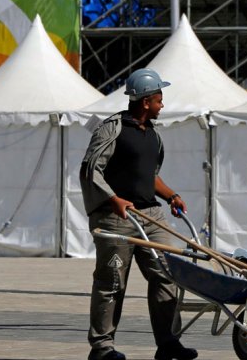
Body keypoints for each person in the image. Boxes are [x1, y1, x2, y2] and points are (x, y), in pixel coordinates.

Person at [79, 68, 198, 360]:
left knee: (167, 274)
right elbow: (91, 170)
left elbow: (149, 176)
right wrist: (113, 198)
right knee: (112, 282)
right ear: (146, 101)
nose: (162, 104)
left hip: (150, 216)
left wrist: (170, 195)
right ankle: (102, 347)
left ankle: (168, 342)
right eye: (159, 98)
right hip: (115, 217)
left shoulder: (153, 136)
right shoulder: (113, 128)